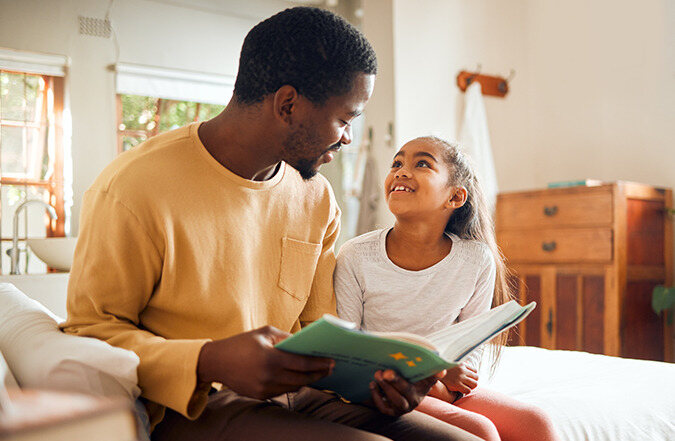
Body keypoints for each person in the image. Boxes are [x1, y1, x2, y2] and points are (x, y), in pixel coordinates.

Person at [61, 7, 480, 441]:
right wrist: (208, 360)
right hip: (197, 404)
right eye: (344, 118)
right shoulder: (134, 187)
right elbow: (90, 332)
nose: (348, 137)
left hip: (301, 392)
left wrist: (377, 383)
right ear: (288, 105)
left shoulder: (316, 197)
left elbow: (324, 331)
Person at [334, 136, 561, 441]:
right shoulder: (355, 255)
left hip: (445, 386)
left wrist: (445, 380)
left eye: (422, 164)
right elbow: (348, 349)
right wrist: (436, 373)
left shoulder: (475, 259)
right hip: (385, 390)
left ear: (455, 198)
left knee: (538, 423)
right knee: (481, 431)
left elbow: (472, 346)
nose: (401, 171)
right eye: (397, 163)